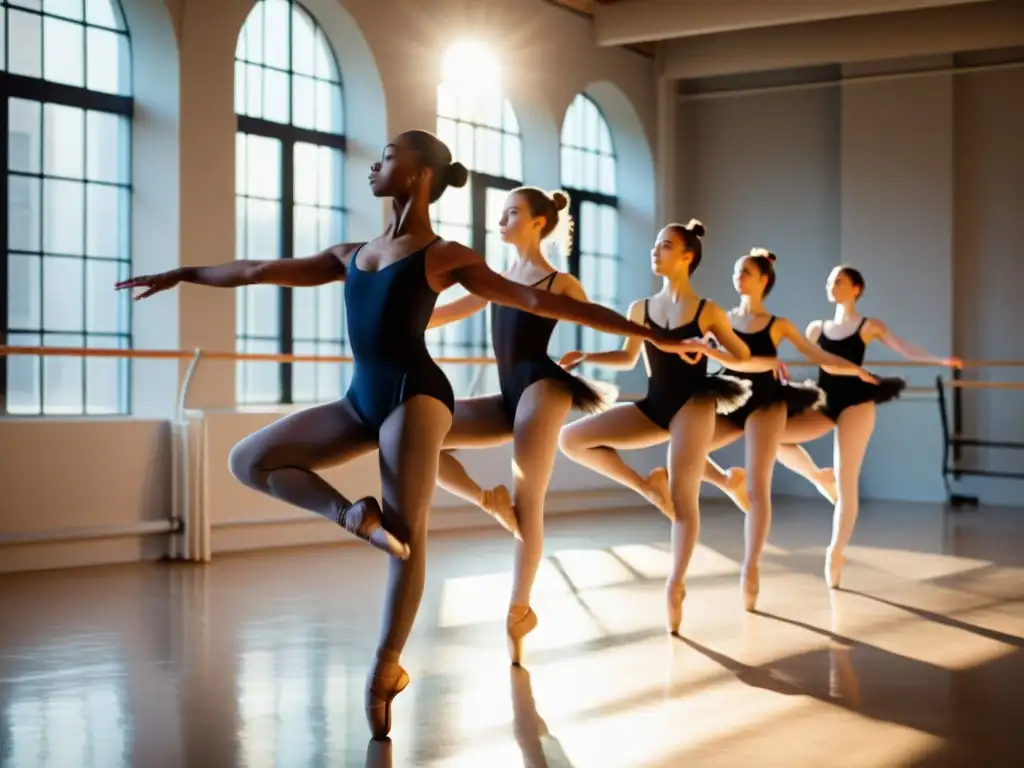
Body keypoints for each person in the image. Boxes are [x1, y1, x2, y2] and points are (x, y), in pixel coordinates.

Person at [115, 130, 702, 739]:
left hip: (415, 398)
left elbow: (539, 300)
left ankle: (384, 670)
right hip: (360, 400)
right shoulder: (350, 253)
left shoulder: (445, 256)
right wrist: (183, 272)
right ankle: (350, 516)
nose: (376, 163)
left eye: (389, 156)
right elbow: (259, 268)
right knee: (249, 460)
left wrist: (658, 339)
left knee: (406, 534)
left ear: (421, 176)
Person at [557, 221, 786, 635]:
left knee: (684, 497)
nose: (655, 251)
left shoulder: (708, 311)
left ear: (686, 256)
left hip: (695, 404)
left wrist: (708, 347)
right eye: (655, 245)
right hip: (654, 405)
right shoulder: (640, 308)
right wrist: (587, 354)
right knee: (572, 439)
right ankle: (647, 487)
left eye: (665, 246)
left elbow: (742, 357)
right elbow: (629, 358)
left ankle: (674, 584)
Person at [426, 187, 617, 665]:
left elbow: (603, 320)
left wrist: (648, 342)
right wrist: (389, 317)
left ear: (539, 223)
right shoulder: (492, 280)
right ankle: (488, 502)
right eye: (501, 213)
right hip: (508, 395)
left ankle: (519, 607)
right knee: (420, 439)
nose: (502, 220)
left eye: (512, 213)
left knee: (528, 494)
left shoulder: (559, 282)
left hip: (544, 386)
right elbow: (442, 315)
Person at [739, 265, 962, 588]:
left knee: (846, 480)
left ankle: (836, 550)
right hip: (825, 401)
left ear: (855, 288)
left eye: (839, 281)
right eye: (829, 280)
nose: (831, 285)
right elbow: (801, 353)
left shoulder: (868, 325)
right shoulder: (817, 328)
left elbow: (904, 347)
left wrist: (939, 360)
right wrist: (773, 366)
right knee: (771, 438)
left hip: (857, 403)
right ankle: (817, 477)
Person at [696, 250, 877, 611]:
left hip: (766, 401)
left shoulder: (778, 323)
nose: (739, 277)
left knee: (759, 483)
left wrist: (857, 372)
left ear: (764, 279)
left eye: (745, 271)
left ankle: (750, 568)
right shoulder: (719, 317)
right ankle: (735, 481)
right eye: (736, 271)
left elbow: (821, 356)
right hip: (730, 399)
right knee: (687, 450)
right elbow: (703, 349)